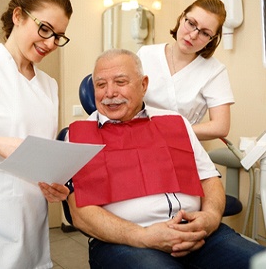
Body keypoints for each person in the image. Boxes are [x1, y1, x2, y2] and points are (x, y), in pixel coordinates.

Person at [40, 49, 265, 269]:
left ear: (143, 85)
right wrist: (144, 236)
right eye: (100, 85)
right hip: (126, 241)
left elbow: (209, 178)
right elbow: (81, 214)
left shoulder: (175, 122)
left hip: (199, 232)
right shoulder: (79, 135)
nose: (109, 93)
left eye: (120, 82)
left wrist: (211, 217)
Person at [0, 0, 72, 269]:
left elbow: (38, 153)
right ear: (18, 16)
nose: (50, 43)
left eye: (59, 36)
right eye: (45, 29)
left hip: (32, 219)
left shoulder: (49, 85)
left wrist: (56, 184)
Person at [137, 0, 234, 141]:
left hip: (181, 144)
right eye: (191, 23)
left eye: (205, 33)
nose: (193, 35)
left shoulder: (214, 71)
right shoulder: (146, 54)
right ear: (182, 18)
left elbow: (221, 126)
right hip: (139, 137)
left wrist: (172, 131)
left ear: (211, 40)